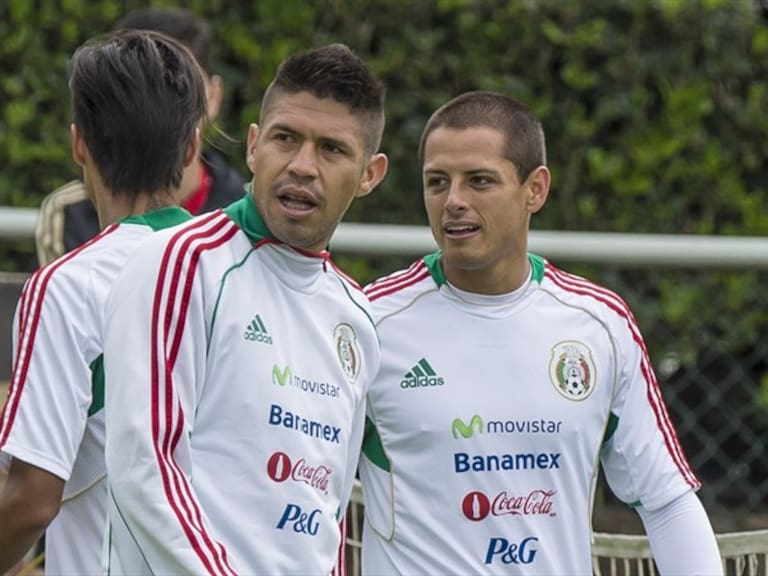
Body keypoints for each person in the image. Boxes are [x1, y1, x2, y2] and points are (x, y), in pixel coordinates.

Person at [358, 91, 723, 575]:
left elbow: (666, 501)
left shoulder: (600, 326)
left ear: (535, 188)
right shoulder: (368, 323)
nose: (454, 202)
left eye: (480, 181)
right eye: (437, 182)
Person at [102, 43, 388, 574]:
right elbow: (145, 467)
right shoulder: (179, 265)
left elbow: (327, 513)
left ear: (370, 174)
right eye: (286, 138)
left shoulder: (357, 317)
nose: (302, 166)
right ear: (254, 146)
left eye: (331, 150)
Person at [0, 30, 207, 574]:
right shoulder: (234, 273)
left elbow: (31, 500)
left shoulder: (70, 287)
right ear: (191, 149)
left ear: (78, 145)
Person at [34, 7, 245, 267]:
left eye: (179, 85)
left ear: (213, 95)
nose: (155, 104)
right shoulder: (69, 210)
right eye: (133, 88)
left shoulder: (247, 212)